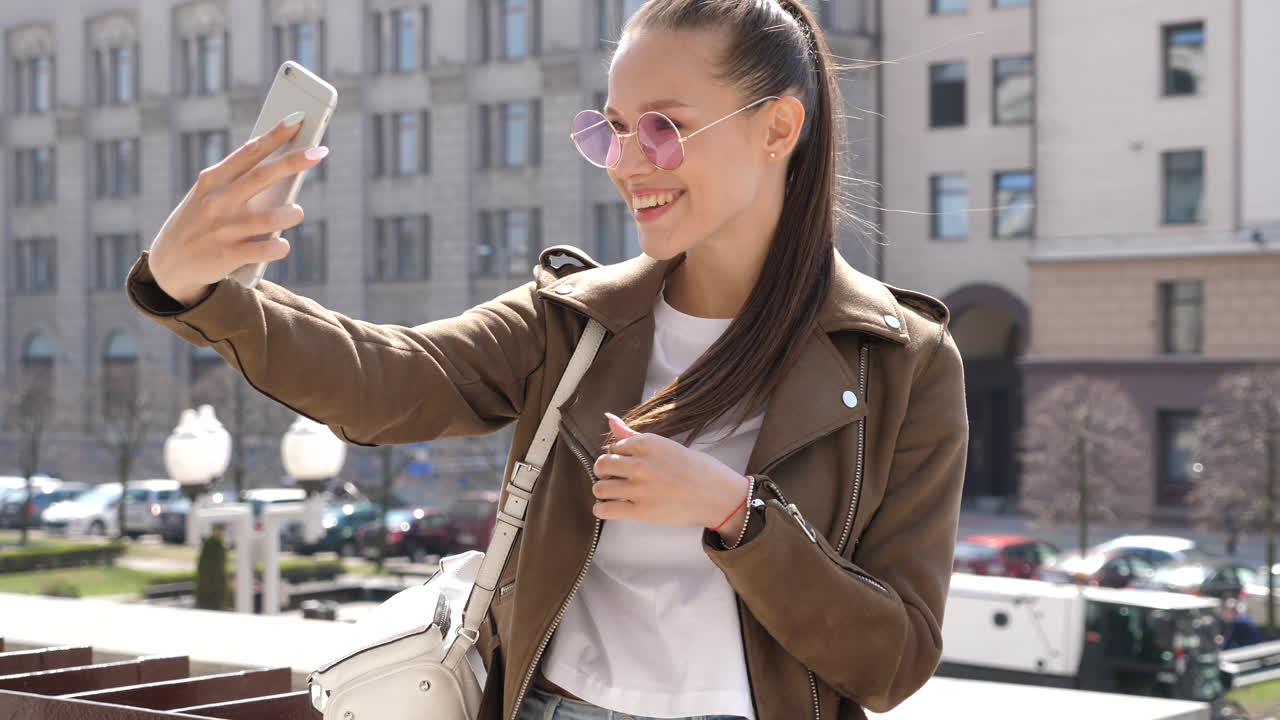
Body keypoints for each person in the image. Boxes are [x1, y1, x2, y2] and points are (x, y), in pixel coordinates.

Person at [127, 0, 968, 718]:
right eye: (613, 129)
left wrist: (736, 514)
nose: (630, 163)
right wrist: (195, 288)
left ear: (778, 127)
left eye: (665, 129)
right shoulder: (573, 319)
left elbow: (891, 662)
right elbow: (385, 381)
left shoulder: (901, 362)